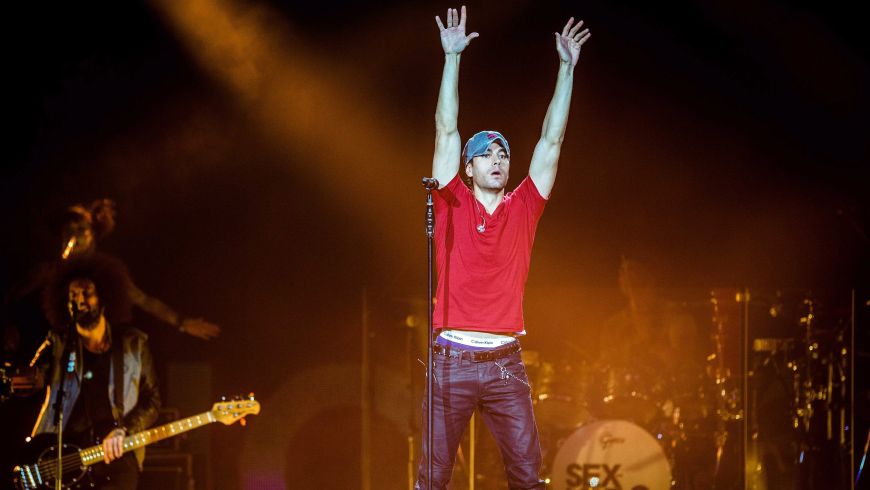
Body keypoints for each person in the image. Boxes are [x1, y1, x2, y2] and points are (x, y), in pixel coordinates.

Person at [416, 6, 590, 489]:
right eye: (485, 154)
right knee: (433, 479)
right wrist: (452, 58)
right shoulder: (450, 200)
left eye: (503, 154)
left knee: (527, 477)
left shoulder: (524, 207)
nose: (497, 159)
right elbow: (445, 128)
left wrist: (566, 68)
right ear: (468, 168)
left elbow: (552, 138)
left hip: (505, 364)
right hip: (451, 359)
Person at [3, 199, 219, 367]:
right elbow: (11, 299)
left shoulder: (106, 275)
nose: (74, 237)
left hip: (94, 358)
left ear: (93, 236)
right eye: (69, 230)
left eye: (81, 230)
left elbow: (145, 301)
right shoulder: (47, 272)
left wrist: (181, 322)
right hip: (53, 359)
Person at [27, 253, 161, 489]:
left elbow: (152, 401)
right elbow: (33, 378)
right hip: (68, 457)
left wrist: (123, 430)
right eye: (73, 295)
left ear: (104, 297)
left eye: (86, 292)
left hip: (118, 454)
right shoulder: (58, 343)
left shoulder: (134, 344)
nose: (79, 300)